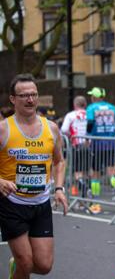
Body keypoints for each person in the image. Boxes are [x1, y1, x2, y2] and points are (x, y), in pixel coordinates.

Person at [0, 74, 68, 278]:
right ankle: (21, 265)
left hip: (40, 204)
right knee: (26, 261)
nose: (30, 99)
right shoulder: (3, 129)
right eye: (24, 95)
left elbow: (59, 161)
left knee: (44, 266)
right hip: (11, 203)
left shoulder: (51, 128)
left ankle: (17, 267)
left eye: (33, 94)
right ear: (13, 99)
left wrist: (59, 189)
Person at [86, 87, 115, 214]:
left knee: (95, 173)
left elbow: (90, 122)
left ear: (95, 97)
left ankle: (96, 201)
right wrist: (114, 132)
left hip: (97, 143)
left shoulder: (91, 108)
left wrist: (89, 133)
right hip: (110, 143)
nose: (91, 97)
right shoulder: (111, 107)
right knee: (111, 171)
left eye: (92, 95)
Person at [61, 96, 88, 198]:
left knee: (76, 171)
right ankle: (84, 193)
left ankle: (82, 189)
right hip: (87, 144)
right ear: (85, 104)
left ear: (74, 104)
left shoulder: (70, 115)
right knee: (85, 170)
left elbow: (63, 129)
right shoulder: (89, 114)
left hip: (75, 144)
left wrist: (70, 135)